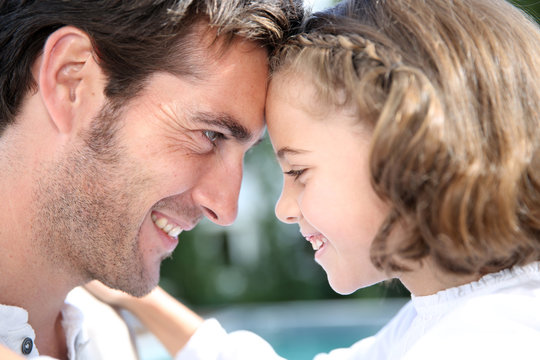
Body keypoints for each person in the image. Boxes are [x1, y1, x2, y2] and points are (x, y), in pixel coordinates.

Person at [86, 0, 540, 358]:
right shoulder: (451, 314)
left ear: (414, 145)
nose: (284, 207)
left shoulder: (490, 339)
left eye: (299, 171)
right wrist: (133, 296)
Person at [0, 0, 302, 358]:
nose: (225, 208)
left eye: (247, 154)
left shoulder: (111, 339)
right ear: (71, 80)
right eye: (211, 135)